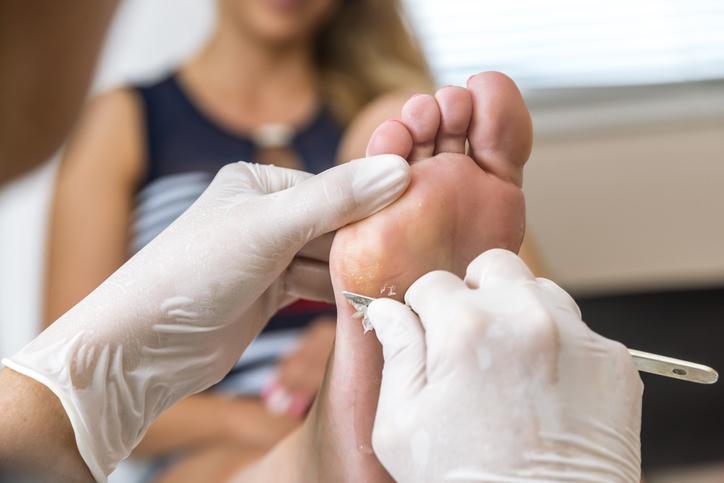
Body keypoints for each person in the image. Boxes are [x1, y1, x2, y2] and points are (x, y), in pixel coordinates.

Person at [0, 3, 643, 483]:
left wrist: (345, 335)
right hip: (205, 426)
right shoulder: (125, 120)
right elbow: (72, 334)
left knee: (391, 132)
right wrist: (241, 420)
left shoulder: (381, 110)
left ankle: (365, 380)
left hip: (393, 378)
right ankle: (338, 438)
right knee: (219, 466)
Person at [43, 0, 433, 473]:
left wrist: (354, 340)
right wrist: (249, 422)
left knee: (412, 155)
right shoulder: (123, 121)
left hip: (377, 400)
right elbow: (66, 386)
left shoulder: (384, 121)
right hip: (214, 448)